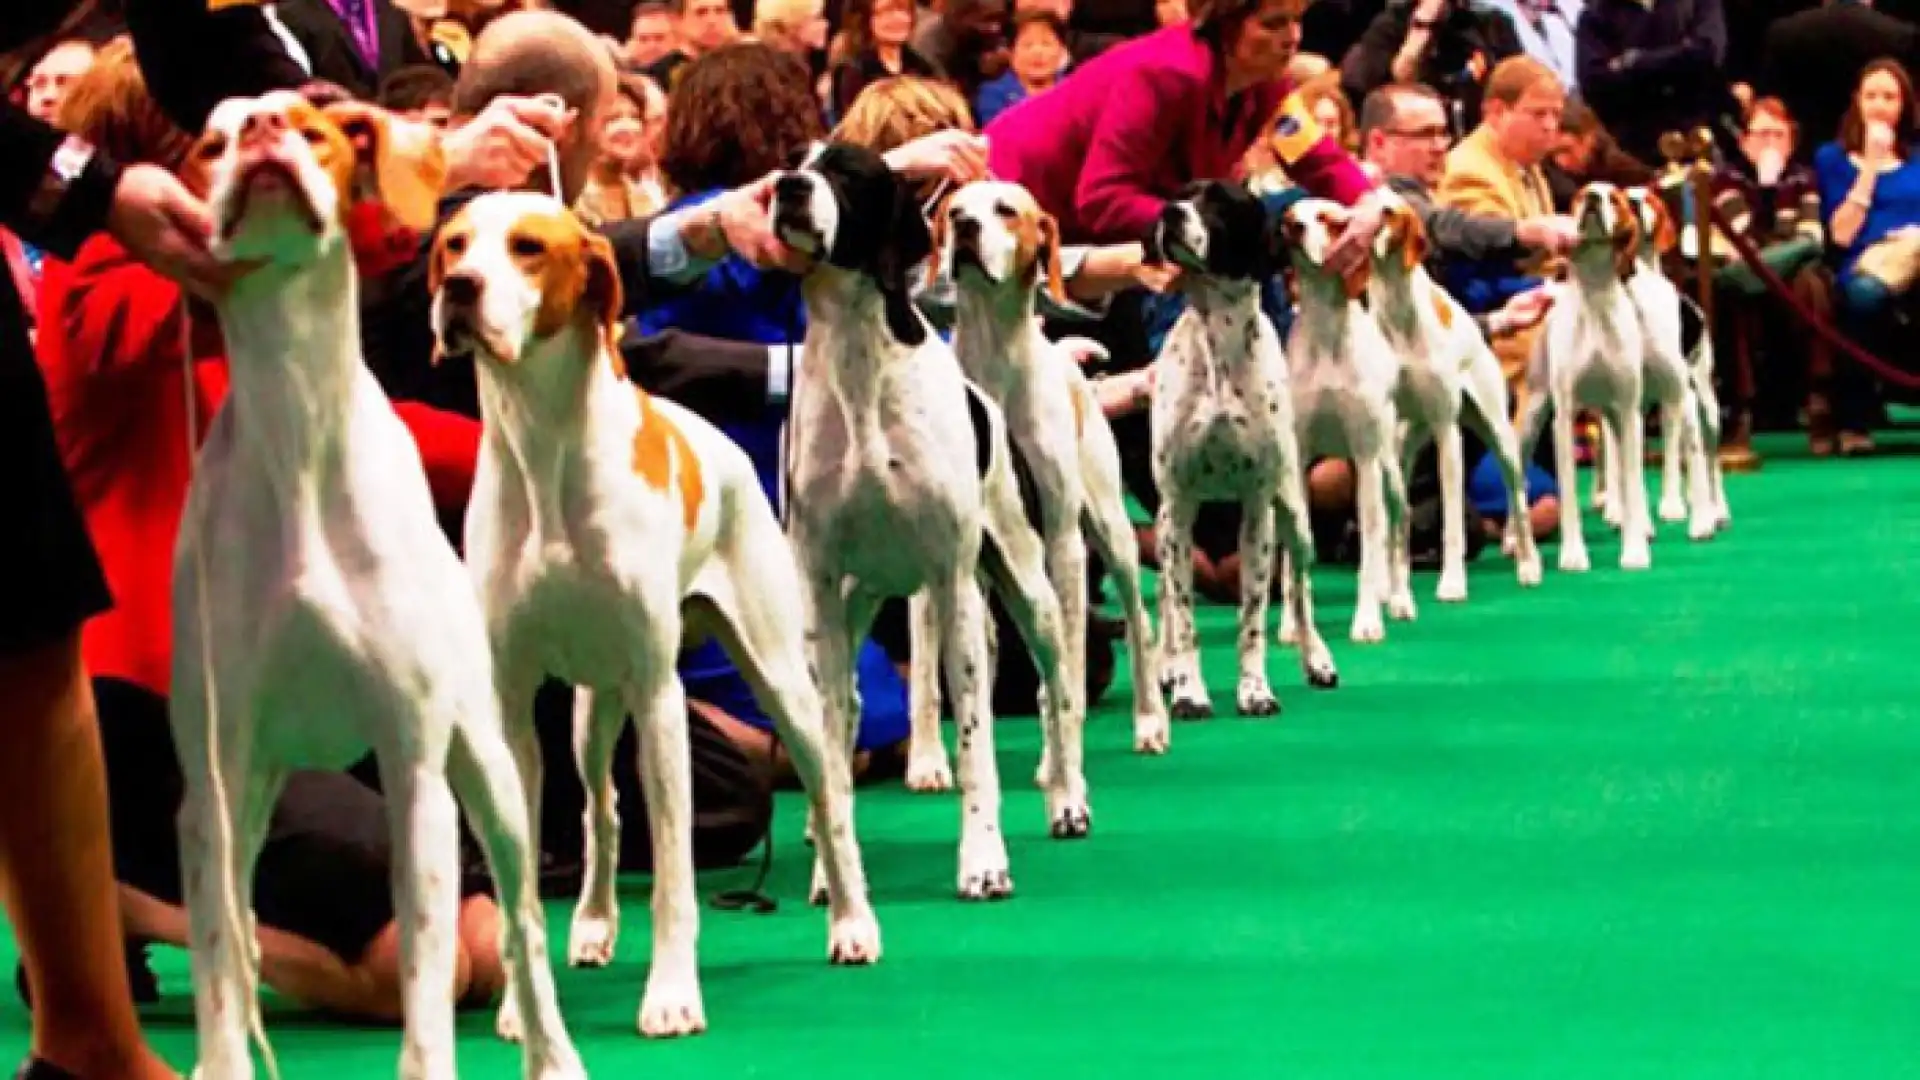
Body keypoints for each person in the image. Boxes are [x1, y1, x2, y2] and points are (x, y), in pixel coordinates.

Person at [2, 0, 295, 1074]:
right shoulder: (104, 295)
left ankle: (88, 1045)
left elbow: (204, 26)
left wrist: (307, 123)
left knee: (30, 627)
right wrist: (89, 185)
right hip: (158, 685)